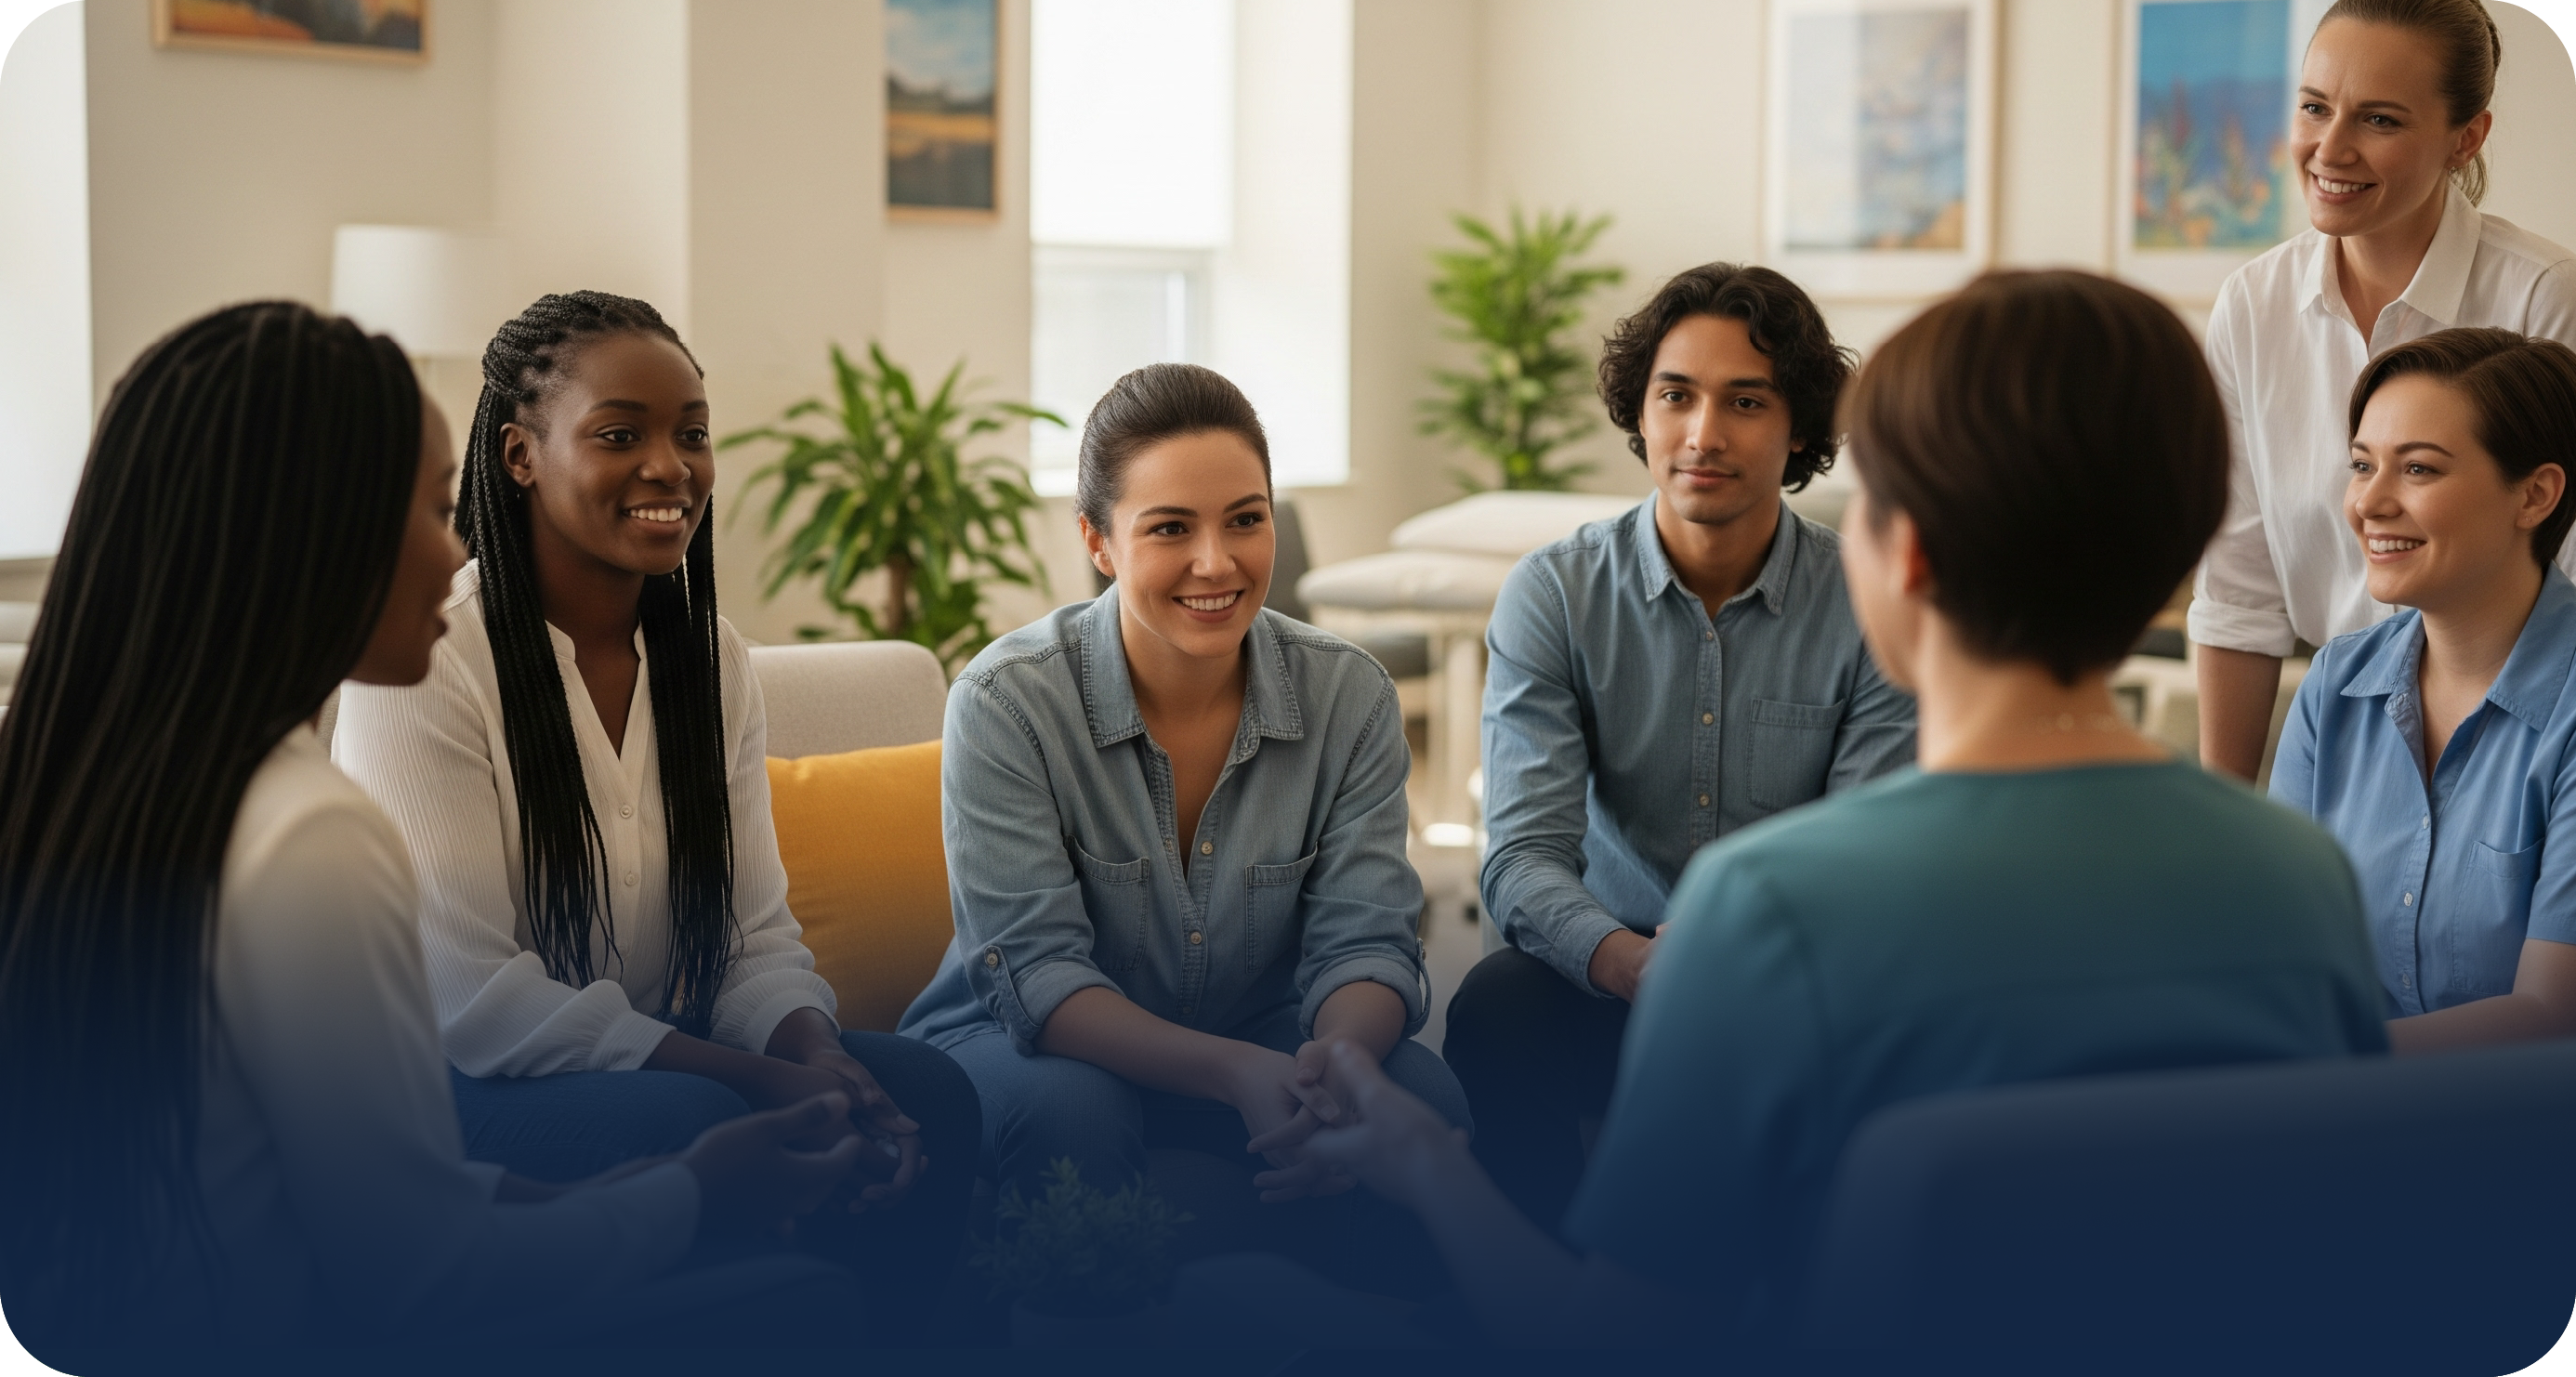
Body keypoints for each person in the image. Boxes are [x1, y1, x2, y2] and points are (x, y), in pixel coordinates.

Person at [1262, 271, 2390, 1349]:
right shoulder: (2302, 876)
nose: (1705, 432)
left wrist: (1424, 1161)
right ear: (2177, 566)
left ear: (1900, 553)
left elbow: (1622, 1346)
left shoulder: (1776, 908)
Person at [0, 302, 869, 1365]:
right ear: (305, 530)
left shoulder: (108, 783)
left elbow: (346, 1194)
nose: (456, 546)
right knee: (808, 1304)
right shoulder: (308, 835)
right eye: (427, 507)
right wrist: (697, 1192)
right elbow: (419, 1274)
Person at [331, 291, 977, 1331]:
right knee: (695, 1109)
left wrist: (815, 1056)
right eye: (619, 435)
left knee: (925, 1092)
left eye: (692, 434)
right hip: (457, 1088)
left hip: (657, 1055)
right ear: (519, 455)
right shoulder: (429, 659)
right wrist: (753, 1080)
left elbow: (752, 937)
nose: (671, 466)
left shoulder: (709, 658)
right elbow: (466, 998)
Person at [897, 362, 1470, 1292]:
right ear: (1098, 541)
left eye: (1246, 519)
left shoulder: (1348, 694)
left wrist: (1337, 1068)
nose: (1218, 562)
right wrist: (1236, 1074)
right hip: (1027, 1042)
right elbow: (1039, 975)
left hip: (1263, 1027)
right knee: (1070, 1115)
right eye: (1170, 528)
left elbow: (1364, 938)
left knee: (1419, 1094)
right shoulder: (1007, 700)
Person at [1442, 262, 1914, 1234]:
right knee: (1494, 1006)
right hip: (1605, 976)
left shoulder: (1867, 598)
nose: (1704, 434)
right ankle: (1543, 1304)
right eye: (1677, 396)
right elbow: (1520, 859)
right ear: (1642, 413)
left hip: (1791, 992)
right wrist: (1627, 962)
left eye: (1746, 401)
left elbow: (1871, 860)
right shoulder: (1557, 594)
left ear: (1798, 430)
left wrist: (1743, 974)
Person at [2194, 0, 2576, 780]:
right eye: (2313, 108)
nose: (2329, 149)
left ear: (2466, 137)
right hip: (2329, 732)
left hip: (2522, 733)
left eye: (2380, 120)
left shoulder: (2545, 297)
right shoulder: (2252, 306)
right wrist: (2219, 829)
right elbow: (2240, 598)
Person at [2271, 329, 2576, 1052]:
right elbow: (2279, 954)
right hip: (2335, 1124)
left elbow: (2552, 1015)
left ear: (2535, 495)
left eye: (2418, 470)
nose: (2368, 504)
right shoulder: (2335, 684)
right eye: (2360, 466)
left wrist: (2305, 1061)